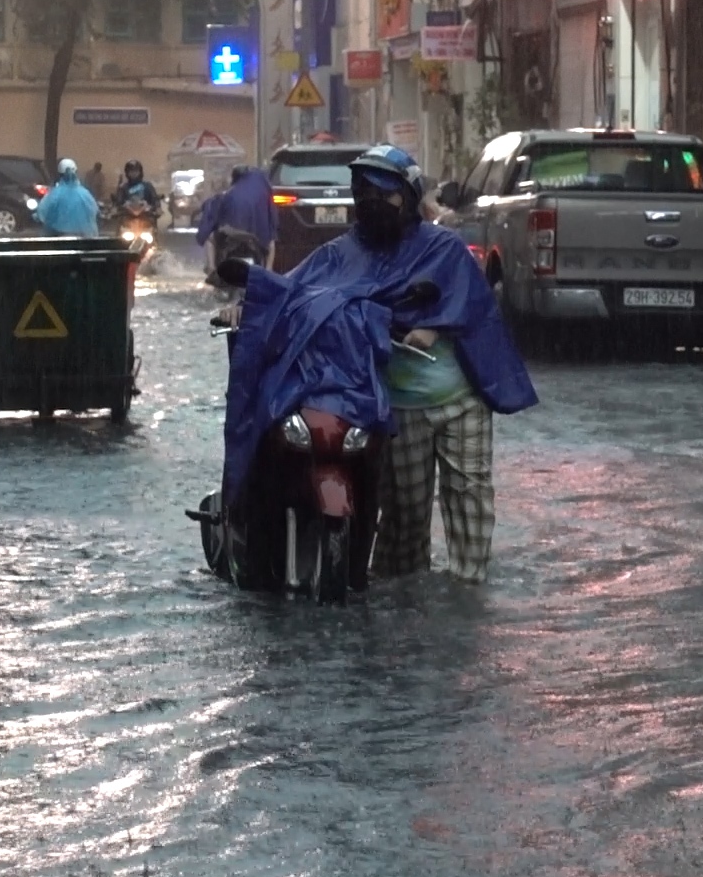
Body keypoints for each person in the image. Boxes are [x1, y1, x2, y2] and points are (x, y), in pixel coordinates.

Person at [218, 146, 536, 581]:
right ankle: (402, 609)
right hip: (397, 406)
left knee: (470, 500)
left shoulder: (443, 249)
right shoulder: (339, 253)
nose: (372, 203)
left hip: (460, 400)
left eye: (384, 194)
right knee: (403, 518)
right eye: (363, 192)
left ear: (407, 197)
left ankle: (468, 595)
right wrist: (247, 304)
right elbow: (294, 290)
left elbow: (472, 307)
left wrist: (434, 327)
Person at [197, 165, 278, 274]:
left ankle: (212, 269)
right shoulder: (263, 195)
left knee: (210, 239)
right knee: (271, 243)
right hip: (257, 237)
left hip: (231, 235)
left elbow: (212, 217)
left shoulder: (228, 195)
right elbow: (272, 220)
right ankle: (268, 271)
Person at [37, 158, 100, 237]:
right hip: (83, 240)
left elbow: (42, 213)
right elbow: (94, 212)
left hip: (57, 239)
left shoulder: (54, 194)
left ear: (59, 174)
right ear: (76, 173)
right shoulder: (85, 194)